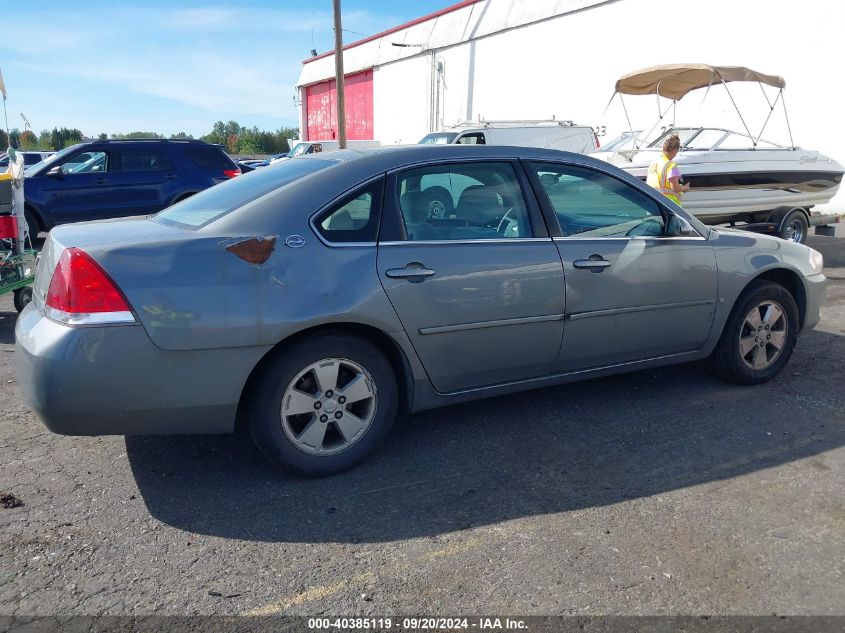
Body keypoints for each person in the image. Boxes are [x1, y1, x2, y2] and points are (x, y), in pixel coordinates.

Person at [647, 134, 690, 205]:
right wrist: (685, 188)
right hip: (668, 205)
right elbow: (675, 188)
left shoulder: (654, 163)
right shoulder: (671, 166)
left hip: (653, 202)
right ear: (675, 150)